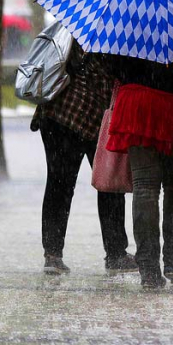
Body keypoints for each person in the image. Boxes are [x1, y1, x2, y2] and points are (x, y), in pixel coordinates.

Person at [31, 42, 136, 276]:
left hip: (60, 112)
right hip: (80, 115)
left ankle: (54, 254)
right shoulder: (116, 38)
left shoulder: (81, 24)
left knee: (61, 184)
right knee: (106, 184)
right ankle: (114, 253)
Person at [101, 53, 173, 288]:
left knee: (145, 187)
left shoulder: (128, 19)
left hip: (137, 101)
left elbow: (111, 64)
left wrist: (133, 74)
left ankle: (149, 269)